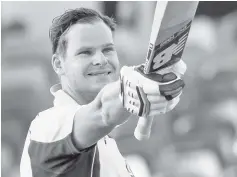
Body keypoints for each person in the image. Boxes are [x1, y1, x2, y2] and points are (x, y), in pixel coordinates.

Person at [20, 8, 186, 177]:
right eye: (85, 52)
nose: (100, 60)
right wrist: (129, 90)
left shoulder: (105, 142)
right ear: (58, 64)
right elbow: (103, 111)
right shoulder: (47, 126)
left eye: (107, 50)